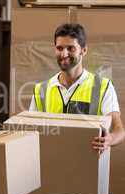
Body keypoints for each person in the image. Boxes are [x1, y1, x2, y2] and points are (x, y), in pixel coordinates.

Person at [29, 23, 125, 152]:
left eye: (71, 48)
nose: (64, 54)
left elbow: (119, 130)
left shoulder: (103, 87)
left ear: (83, 51)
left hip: (88, 166)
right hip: (50, 165)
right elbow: (30, 131)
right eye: (59, 48)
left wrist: (109, 140)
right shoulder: (41, 89)